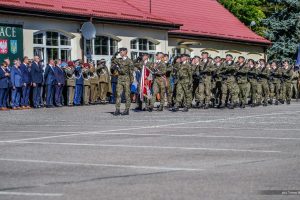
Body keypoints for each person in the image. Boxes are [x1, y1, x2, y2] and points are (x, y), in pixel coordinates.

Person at [111, 48, 134, 115]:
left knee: (127, 95)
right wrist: (115, 54)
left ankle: (127, 110)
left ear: (125, 52)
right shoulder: (119, 60)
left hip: (127, 79)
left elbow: (131, 72)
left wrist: (131, 81)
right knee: (118, 94)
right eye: (120, 52)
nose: (120, 53)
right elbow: (112, 60)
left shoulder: (129, 61)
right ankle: (117, 109)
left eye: (121, 52)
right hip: (120, 79)